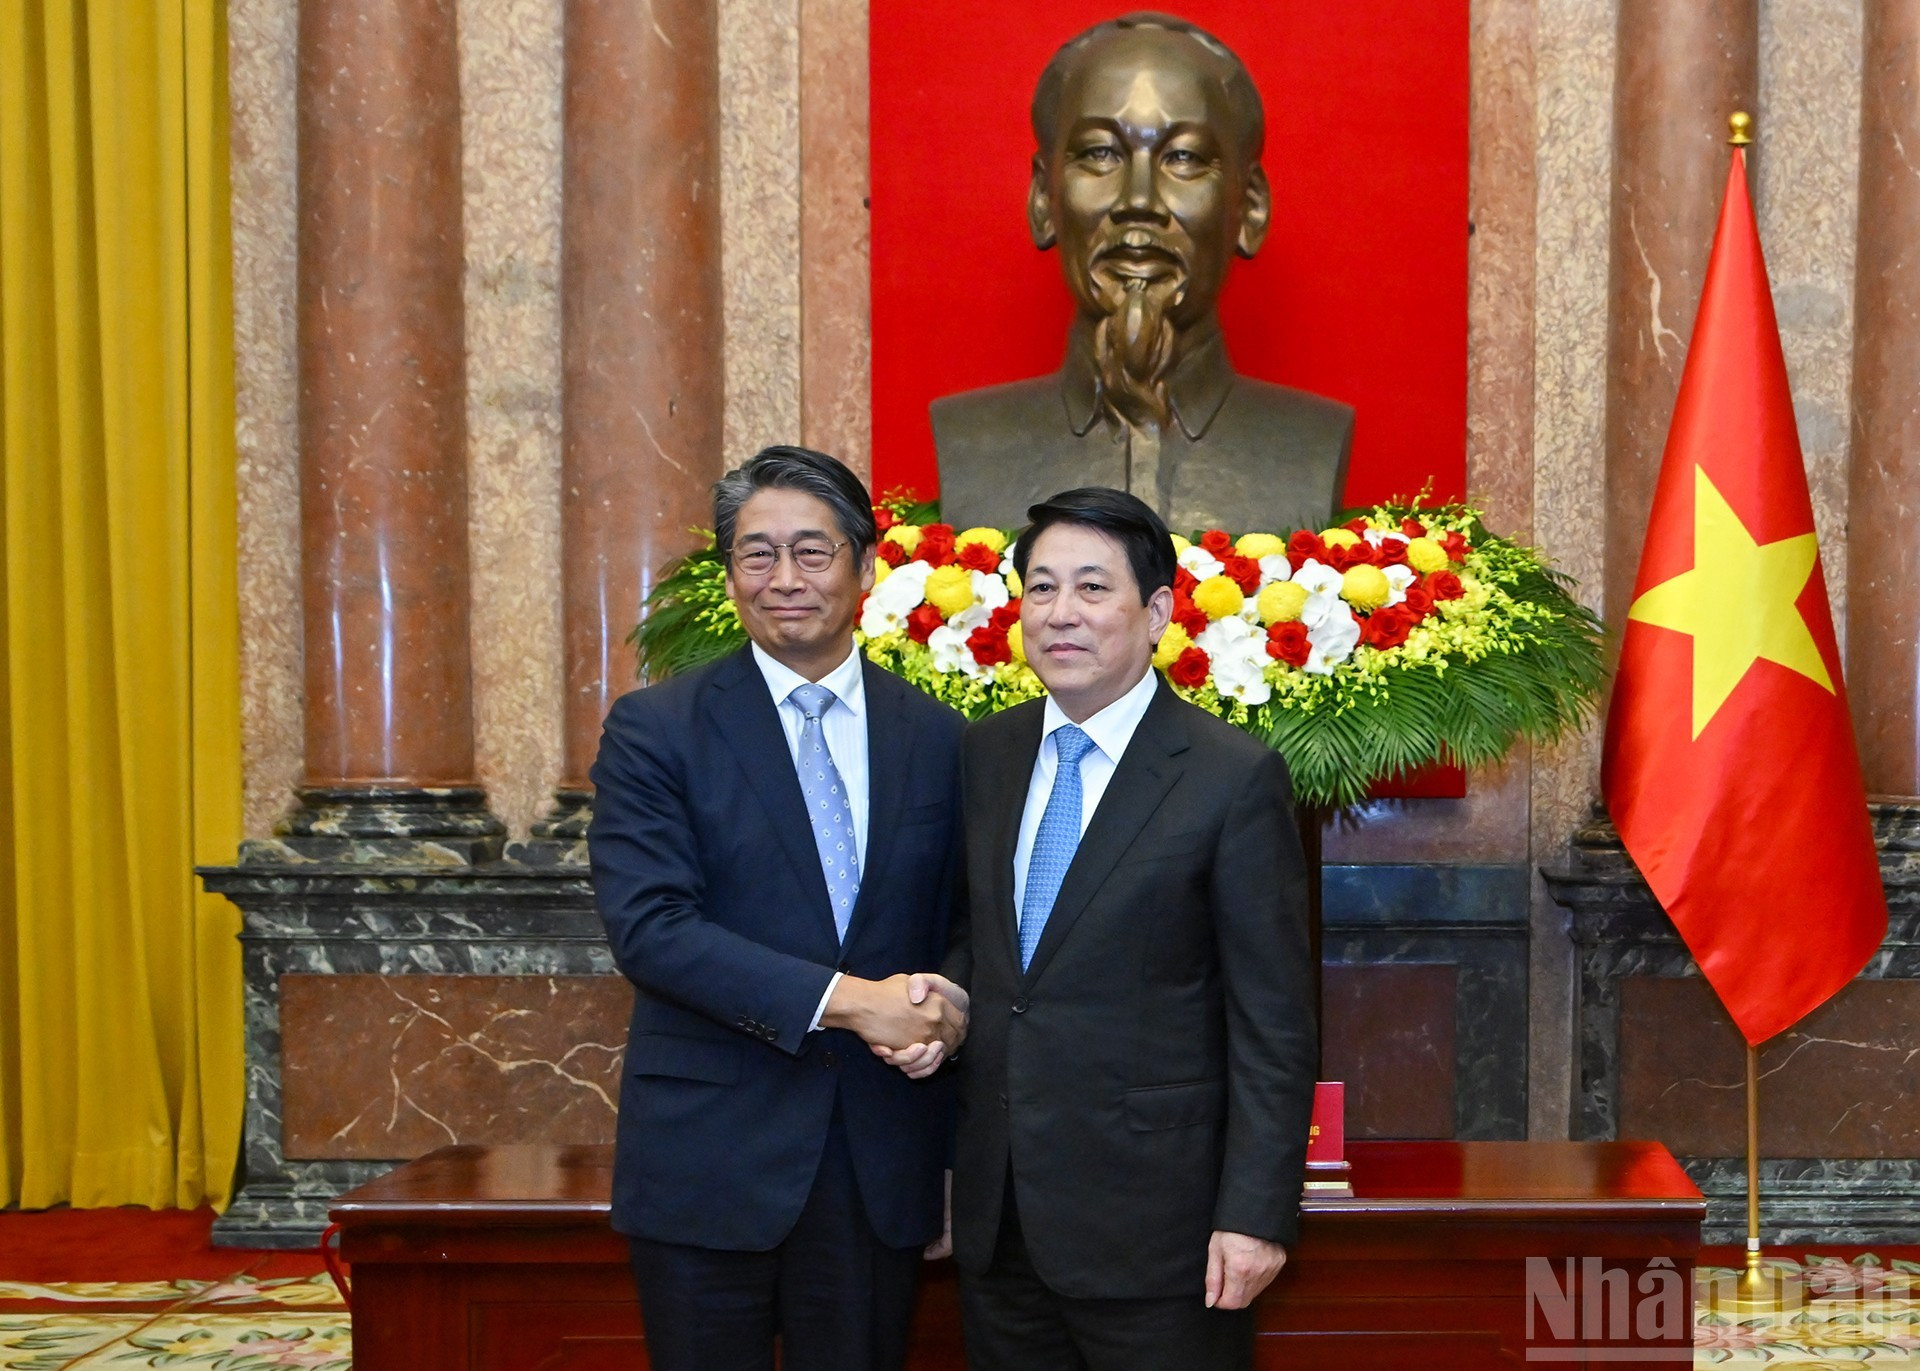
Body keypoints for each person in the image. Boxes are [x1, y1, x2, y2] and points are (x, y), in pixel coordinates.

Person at [883, 486, 1317, 1370]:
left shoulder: (1231, 777)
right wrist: (949, 997)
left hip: (1163, 1234)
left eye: (1091, 587)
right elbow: (986, 941)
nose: (1060, 614)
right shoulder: (987, 753)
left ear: (1156, 611)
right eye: (1040, 589)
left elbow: (1276, 1020)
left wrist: (1254, 1213)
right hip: (1001, 1224)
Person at [588, 445, 971, 1371]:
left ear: (865, 567)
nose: (784, 578)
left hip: (876, 1155)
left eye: (812, 551)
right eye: (757, 555)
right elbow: (652, 930)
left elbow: (966, 921)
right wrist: (852, 1000)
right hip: (707, 1157)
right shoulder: (657, 729)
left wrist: (948, 1010)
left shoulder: (939, 735)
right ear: (730, 576)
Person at [932, 14, 1352, 535]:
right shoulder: (969, 439)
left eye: (1184, 158)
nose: (1138, 201)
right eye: (1100, 154)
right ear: (1044, 200)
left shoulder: (1312, 440)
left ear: (1249, 207)